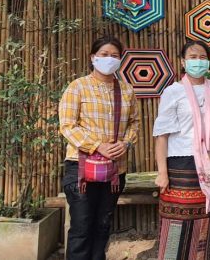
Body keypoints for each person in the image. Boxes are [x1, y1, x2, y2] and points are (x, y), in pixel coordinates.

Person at [59, 35, 140, 260]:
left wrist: (126, 143)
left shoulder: (126, 90)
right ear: (93, 57)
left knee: (103, 225)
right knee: (82, 227)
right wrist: (97, 146)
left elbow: (135, 123)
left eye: (115, 55)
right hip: (81, 169)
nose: (109, 59)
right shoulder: (77, 87)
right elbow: (67, 125)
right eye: (104, 54)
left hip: (115, 169)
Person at [153, 40, 210, 259]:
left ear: (209, 62)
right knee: (176, 222)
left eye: (202, 57)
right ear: (183, 62)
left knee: (204, 221)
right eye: (193, 57)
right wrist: (162, 172)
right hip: (181, 165)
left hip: (209, 163)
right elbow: (161, 135)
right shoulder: (173, 92)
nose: (198, 61)